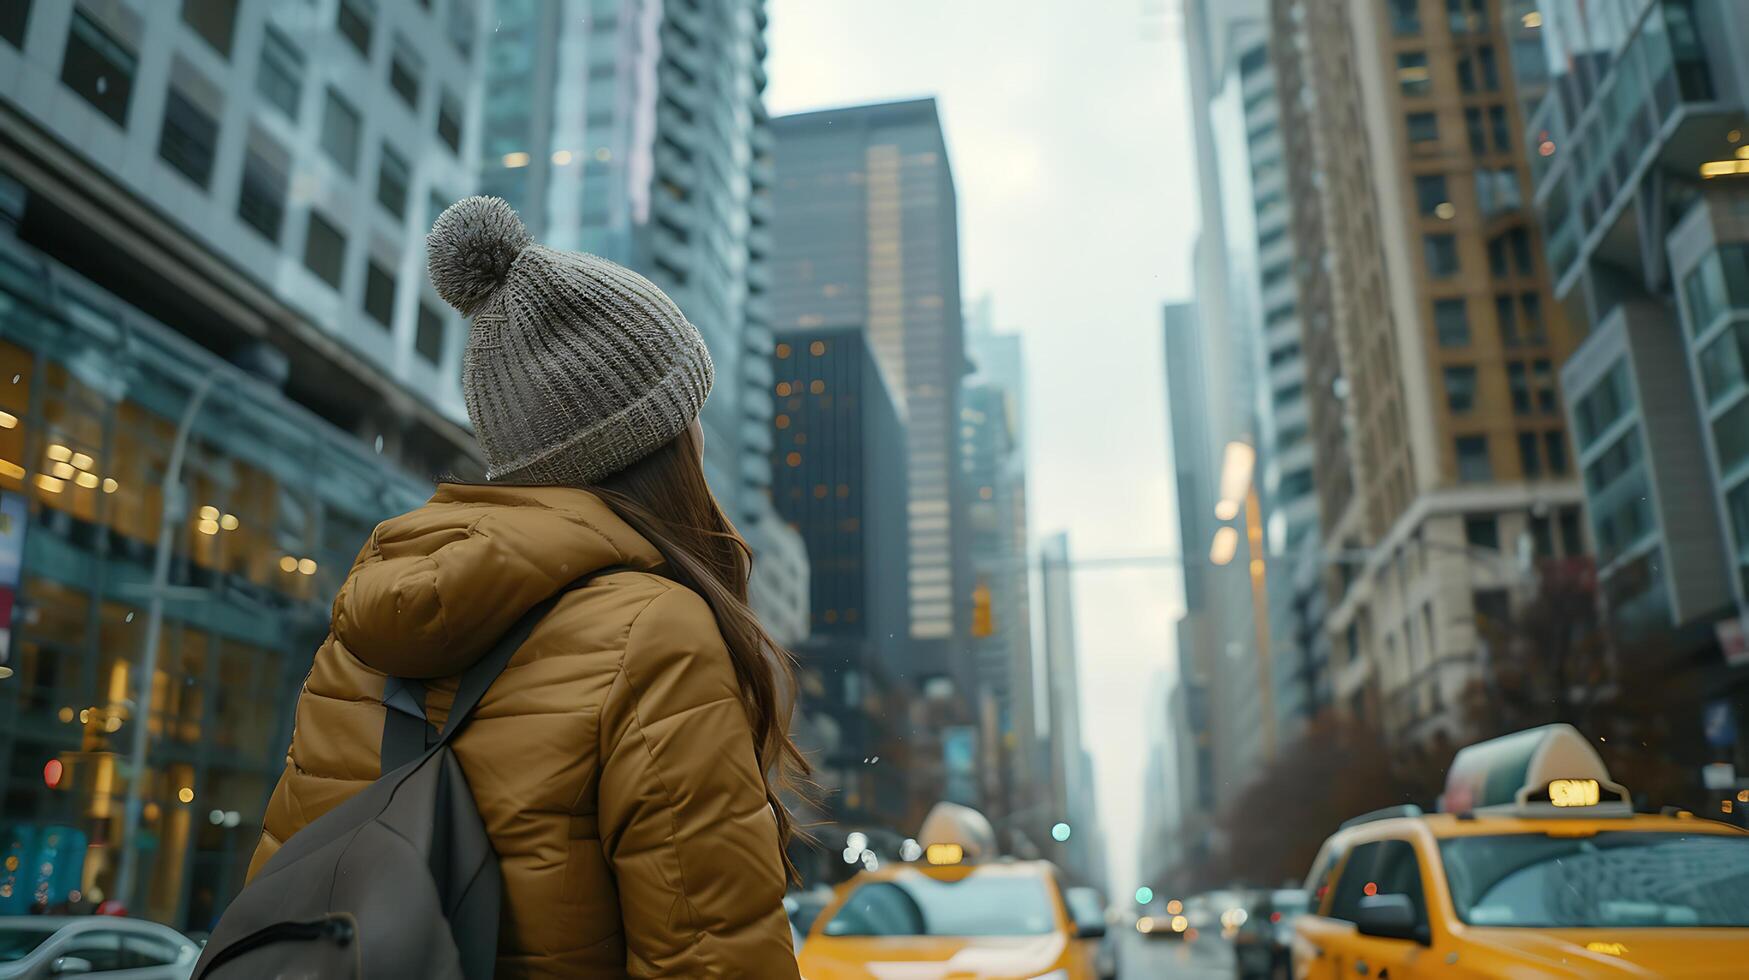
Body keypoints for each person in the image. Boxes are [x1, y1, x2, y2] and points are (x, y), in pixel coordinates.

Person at [247, 196, 805, 978]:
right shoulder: (659, 631)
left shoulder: (361, 635)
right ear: (661, 439)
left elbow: (288, 886)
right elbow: (711, 960)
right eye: (691, 412)